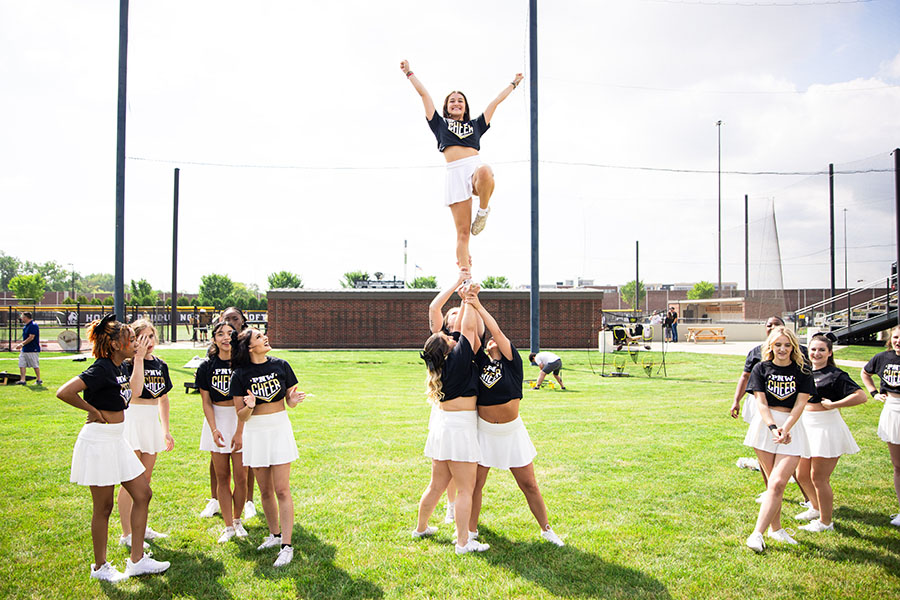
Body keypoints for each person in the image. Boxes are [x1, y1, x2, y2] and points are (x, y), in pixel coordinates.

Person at [56, 314, 169, 582]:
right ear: (117, 345)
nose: (135, 342)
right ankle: (100, 567)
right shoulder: (101, 368)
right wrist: (92, 410)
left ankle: (137, 560)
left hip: (117, 440)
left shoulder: (121, 367)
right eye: (131, 339)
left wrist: (139, 358)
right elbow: (64, 392)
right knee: (103, 507)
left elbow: (136, 391)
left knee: (143, 494)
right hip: (99, 440)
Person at [464, 285, 564, 547]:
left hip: (511, 432)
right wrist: (467, 302)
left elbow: (494, 330)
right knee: (476, 485)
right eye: (489, 341)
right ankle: (471, 532)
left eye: (496, 339)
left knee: (529, 484)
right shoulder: (480, 362)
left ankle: (547, 530)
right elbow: (471, 332)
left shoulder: (512, 361)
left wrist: (478, 304)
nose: (492, 340)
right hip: (485, 431)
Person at [400, 59, 524, 270]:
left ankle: (483, 212)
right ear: (447, 107)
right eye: (452, 101)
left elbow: (494, 102)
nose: (456, 103)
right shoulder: (439, 123)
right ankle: (465, 277)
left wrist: (513, 84)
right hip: (455, 174)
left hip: (474, 169)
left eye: (460, 101)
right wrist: (409, 72)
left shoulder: (476, 124)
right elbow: (424, 95)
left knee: (486, 171)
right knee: (463, 234)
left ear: (465, 107)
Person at [414, 286, 490, 555]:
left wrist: (466, 298)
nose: (452, 337)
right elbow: (468, 328)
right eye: (448, 338)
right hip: (460, 429)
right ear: (447, 347)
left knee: (436, 485)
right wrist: (468, 298)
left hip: (443, 429)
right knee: (465, 489)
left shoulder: (441, 365)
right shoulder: (457, 358)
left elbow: (463, 330)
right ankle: (463, 543)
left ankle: (421, 528)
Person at [232, 328, 305, 568]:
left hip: (279, 429)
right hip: (256, 433)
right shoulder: (240, 375)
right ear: (249, 347)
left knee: (282, 489)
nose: (265, 338)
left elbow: (289, 401)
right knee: (265, 491)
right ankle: (274, 535)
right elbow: (241, 416)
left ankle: (287, 545)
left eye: (264, 335)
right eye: (259, 337)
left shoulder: (281, 365)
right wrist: (250, 406)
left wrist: (292, 401)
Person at [743, 326, 815, 552]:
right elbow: (761, 404)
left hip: (791, 427)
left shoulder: (803, 370)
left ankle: (756, 534)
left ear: (793, 346)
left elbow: (800, 404)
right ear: (770, 346)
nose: (782, 349)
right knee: (771, 483)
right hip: (765, 427)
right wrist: (773, 427)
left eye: (787, 345)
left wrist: (785, 427)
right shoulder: (760, 368)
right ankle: (776, 529)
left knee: (778, 482)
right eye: (778, 345)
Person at [794, 333, 865, 532]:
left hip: (826, 427)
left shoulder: (835, 374)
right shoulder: (805, 371)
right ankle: (816, 508)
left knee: (819, 478)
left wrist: (834, 404)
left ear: (829, 352)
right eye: (813, 349)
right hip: (806, 426)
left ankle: (826, 522)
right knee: (802, 474)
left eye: (821, 350)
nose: (816, 353)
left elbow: (860, 396)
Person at [117, 319, 174, 548]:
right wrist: (138, 358)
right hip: (132, 419)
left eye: (151, 337)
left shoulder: (161, 364)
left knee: (145, 482)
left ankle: (141, 526)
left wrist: (166, 430)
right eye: (141, 338)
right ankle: (126, 534)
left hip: (150, 423)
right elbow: (133, 391)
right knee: (130, 482)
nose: (147, 342)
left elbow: (164, 399)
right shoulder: (127, 363)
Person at [427, 271, 475, 524]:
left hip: (467, 403)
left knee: (461, 459)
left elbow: (471, 321)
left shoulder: (467, 338)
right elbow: (435, 306)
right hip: (445, 407)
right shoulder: (441, 340)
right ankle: (451, 505)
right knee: (446, 460)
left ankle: (458, 506)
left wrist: (470, 295)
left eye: (459, 311)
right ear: (446, 322)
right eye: (452, 313)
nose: (456, 314)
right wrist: (458, 282)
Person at [197, 321, 250, 542]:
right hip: (217, 420)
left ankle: (237, 520)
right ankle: (227, 525)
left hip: (240, 422)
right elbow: (206, 402)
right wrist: (213, 428)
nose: (226, 338)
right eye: (220, 334)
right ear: (214, 339)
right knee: (222, 476)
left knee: (241, 476)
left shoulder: (243, 365)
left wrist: (239, 430)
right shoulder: (206, 367)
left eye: (230, 333)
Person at [213, 306, 259, 521]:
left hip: (243, 411)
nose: (231, 322)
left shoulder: (247, 346)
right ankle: (216, 500)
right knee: (218, 461)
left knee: (245, 461)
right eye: (227, 319)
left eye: (235, 318)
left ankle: (248, 501)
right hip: (221, 415)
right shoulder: (214, 352)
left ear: (243, 320)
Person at [861, 325, 900, 527]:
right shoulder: (882, 358)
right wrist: (874, 393)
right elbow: (865, 373)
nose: (898, 341)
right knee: (898, 465)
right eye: (895, 337)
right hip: (892, 409)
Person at [15, 311, 41, 385]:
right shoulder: (26, 326)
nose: (21, 318)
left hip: (32, 349)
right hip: (25, 349)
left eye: (22, 317)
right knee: (21, 364)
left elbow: (31, 337)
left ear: (26, 317)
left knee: (35, 365)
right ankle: (22, 380)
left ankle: (39, 379)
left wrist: (21, 344)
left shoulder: (33, 325)